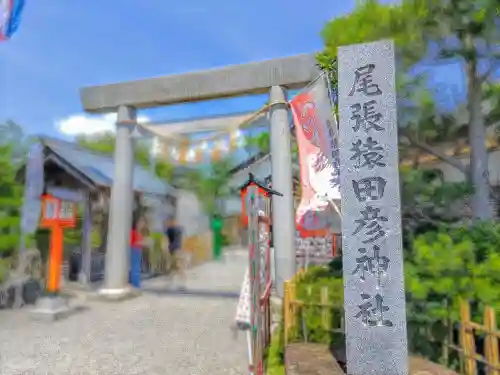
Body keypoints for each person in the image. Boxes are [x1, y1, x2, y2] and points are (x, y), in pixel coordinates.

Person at [165, 217, 186, 290]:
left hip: (175, 251)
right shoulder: (179, 229)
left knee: (176, 267)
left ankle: (178, 284)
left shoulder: (170, 230)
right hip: (178, 250)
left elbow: (166, 240)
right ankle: (177, 284)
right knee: (175, 268)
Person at [129, 215, 144, 288]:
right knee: (135, 268)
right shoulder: (133, 232)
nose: (142, 224)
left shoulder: (139, 232)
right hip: (134, 251)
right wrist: (143, 243)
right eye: (141, 222)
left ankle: (136, 284)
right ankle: (135, 285)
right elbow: (131, 243)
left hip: (138, 251)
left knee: (137, 268)